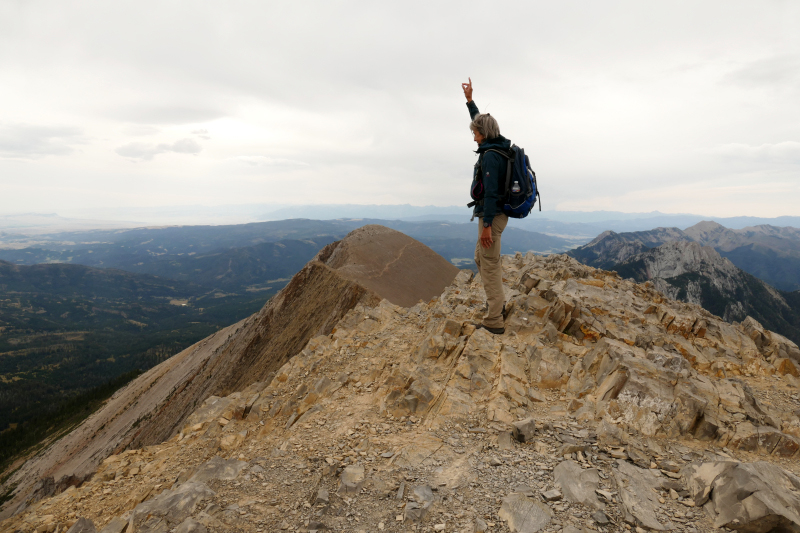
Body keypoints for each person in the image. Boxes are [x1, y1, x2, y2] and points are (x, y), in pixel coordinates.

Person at [462, 77, 510, 335]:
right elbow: (481, 120)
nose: (474, 138)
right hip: (494, 215)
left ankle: (495, 319)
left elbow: (490, 194)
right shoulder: (498, 145)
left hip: (492, 215)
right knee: (481, 258)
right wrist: (470, 101)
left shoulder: (491, 156)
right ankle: (498, 305)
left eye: (476, 134)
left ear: (485, 134)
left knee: (489, 265)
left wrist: (487, 226)